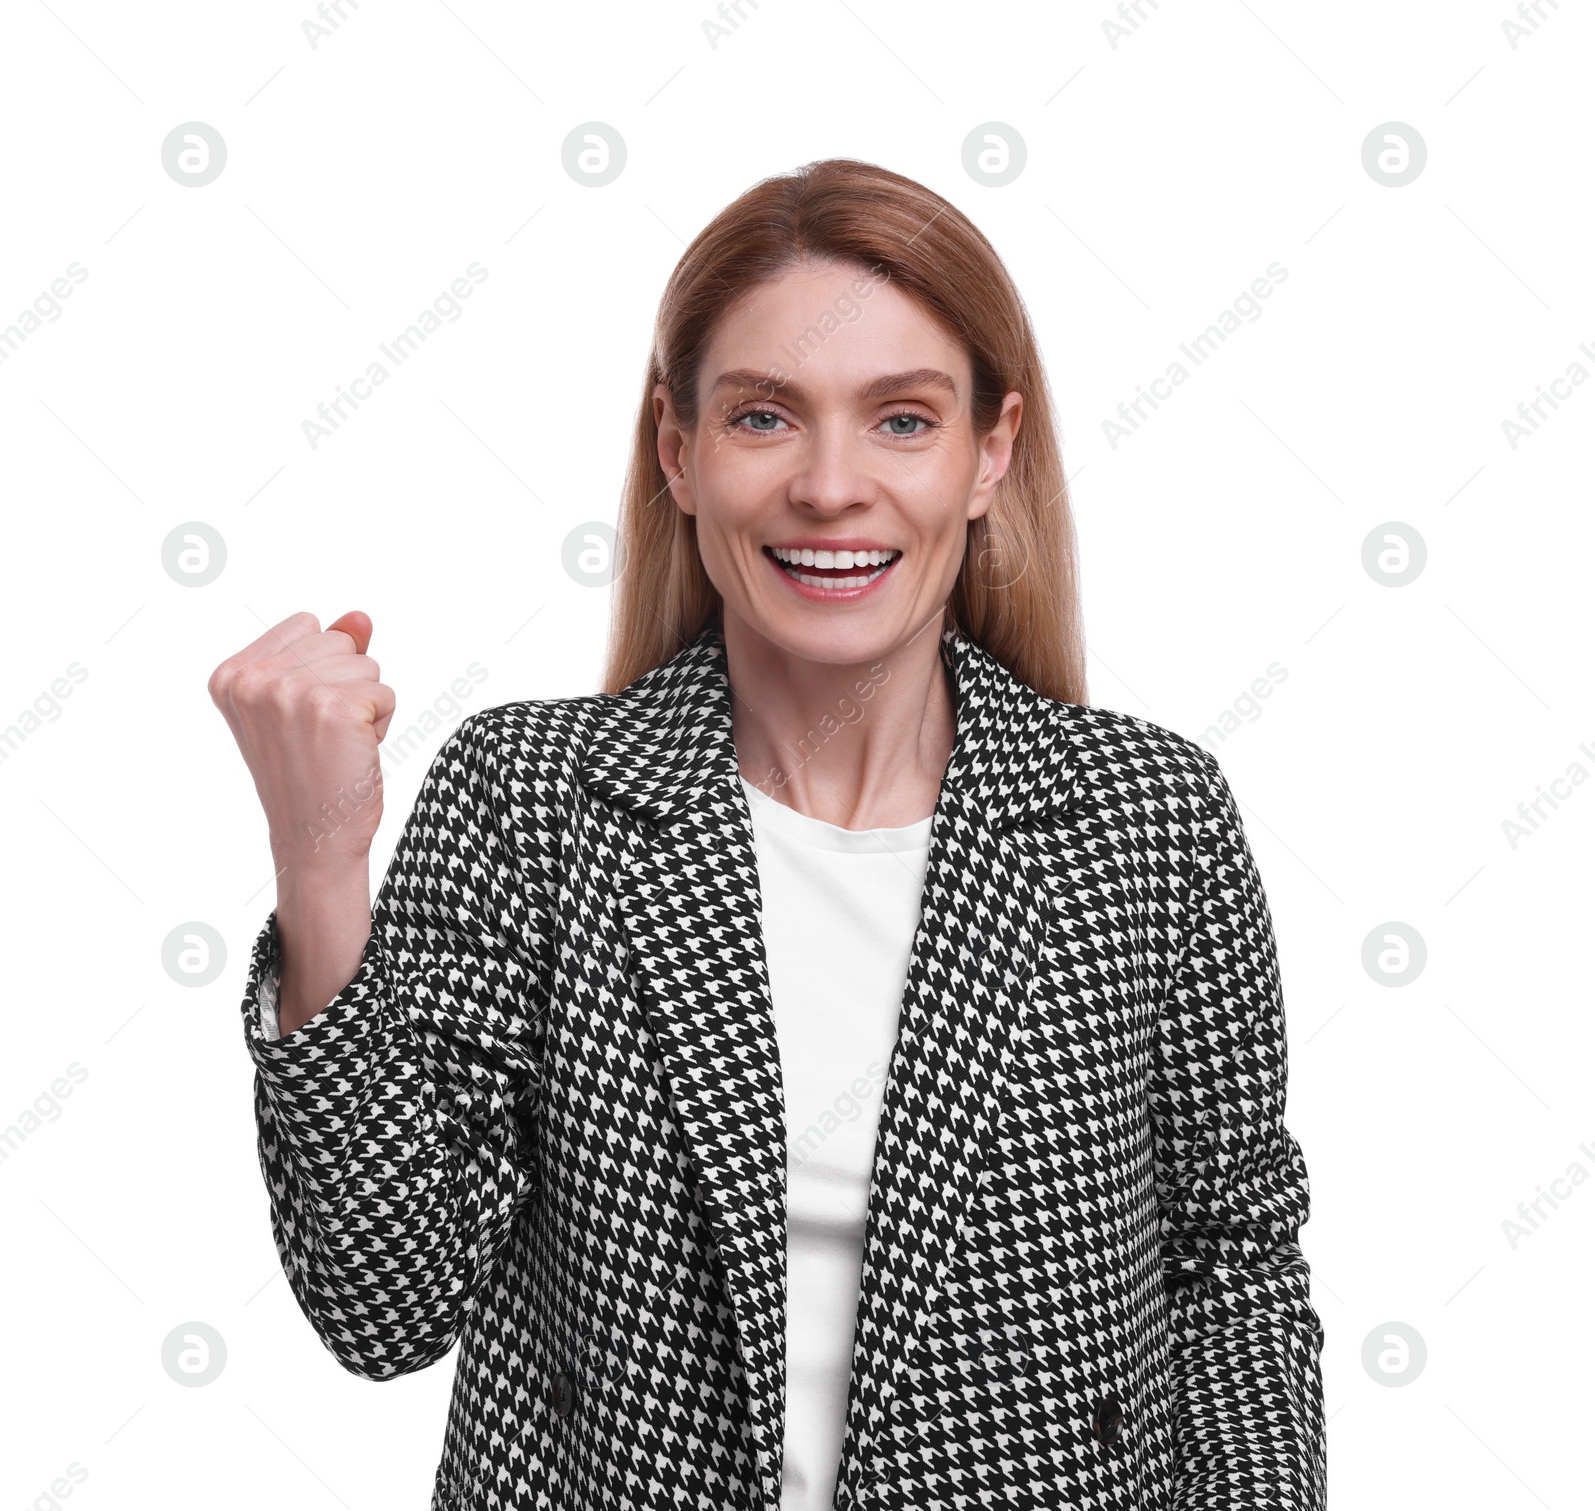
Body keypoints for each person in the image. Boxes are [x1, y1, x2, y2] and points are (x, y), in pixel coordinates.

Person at [208, 157, 1326, 1510]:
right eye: (764, 419)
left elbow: (1236, 1286)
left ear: (992, 453)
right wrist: (321, 857)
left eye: (904, 422)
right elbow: (385, 1302)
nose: (831, 486)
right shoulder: (533, 799)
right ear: (679, 452)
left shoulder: (1150, 822)